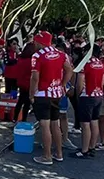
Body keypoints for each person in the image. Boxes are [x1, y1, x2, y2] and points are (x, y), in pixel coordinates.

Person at [30, 32, 73, 165]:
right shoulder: (61, 54)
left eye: (35, 42)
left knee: (45, 125)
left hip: (42, 94)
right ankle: (59, 153)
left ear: (40, 42)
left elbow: (35, 78)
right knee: (55, 124)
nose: (34, 44)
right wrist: (63, 84)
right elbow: (69, 70)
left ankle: (47, 156)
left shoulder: (37, 56)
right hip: (56, 94)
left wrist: (31, 94)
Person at [73, 44, 104, 159]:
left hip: (86, 95)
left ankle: (84, 150)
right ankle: (92, 147)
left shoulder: (85, 63)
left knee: (85, 124)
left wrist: (77, 95)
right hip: (98, 94)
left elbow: (80, 82)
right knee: (94, 121)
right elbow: (103, 81)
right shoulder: (101, 63)